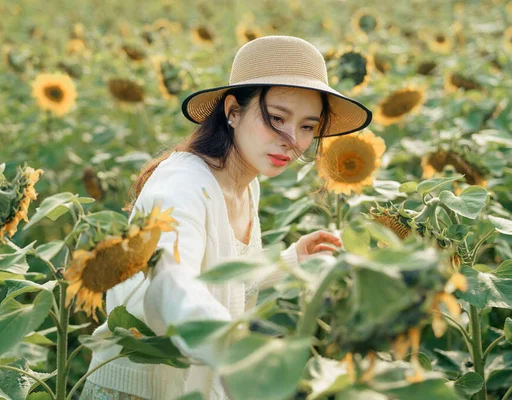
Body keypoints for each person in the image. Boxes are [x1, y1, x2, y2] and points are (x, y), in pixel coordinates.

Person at [79, 35, 372, 400]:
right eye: (277, 118)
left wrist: (291, 261)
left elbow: (221, 282)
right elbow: (170, 281)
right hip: (138, 390)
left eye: (308, 126)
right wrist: (235, 351)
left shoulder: (246, 184)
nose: (292, 140)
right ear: (233, 111)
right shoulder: (182, 184)